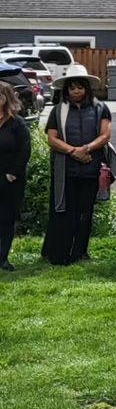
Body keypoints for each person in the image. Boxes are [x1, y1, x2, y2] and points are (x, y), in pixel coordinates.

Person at [41, 64, 112, 266]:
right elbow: (52, 139)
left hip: (90, 170)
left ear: (87, 88)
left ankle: (80, 253)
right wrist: (74, 151)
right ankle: (58, 253)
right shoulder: (58, 111)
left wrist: (86, 149)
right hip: (65, 171)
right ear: (66, 90)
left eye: (80, 87)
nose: (76, 91)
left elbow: (105, 134)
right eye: (72, 87)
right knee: (63, 212)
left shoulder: (100, 109)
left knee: (85, 213)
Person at [0, 81, 30, 272]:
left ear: (7, 98)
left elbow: (25, 150)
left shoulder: (17, 123)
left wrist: (12, 174)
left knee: (6, 219)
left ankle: (3, 258)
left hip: (10, 179)